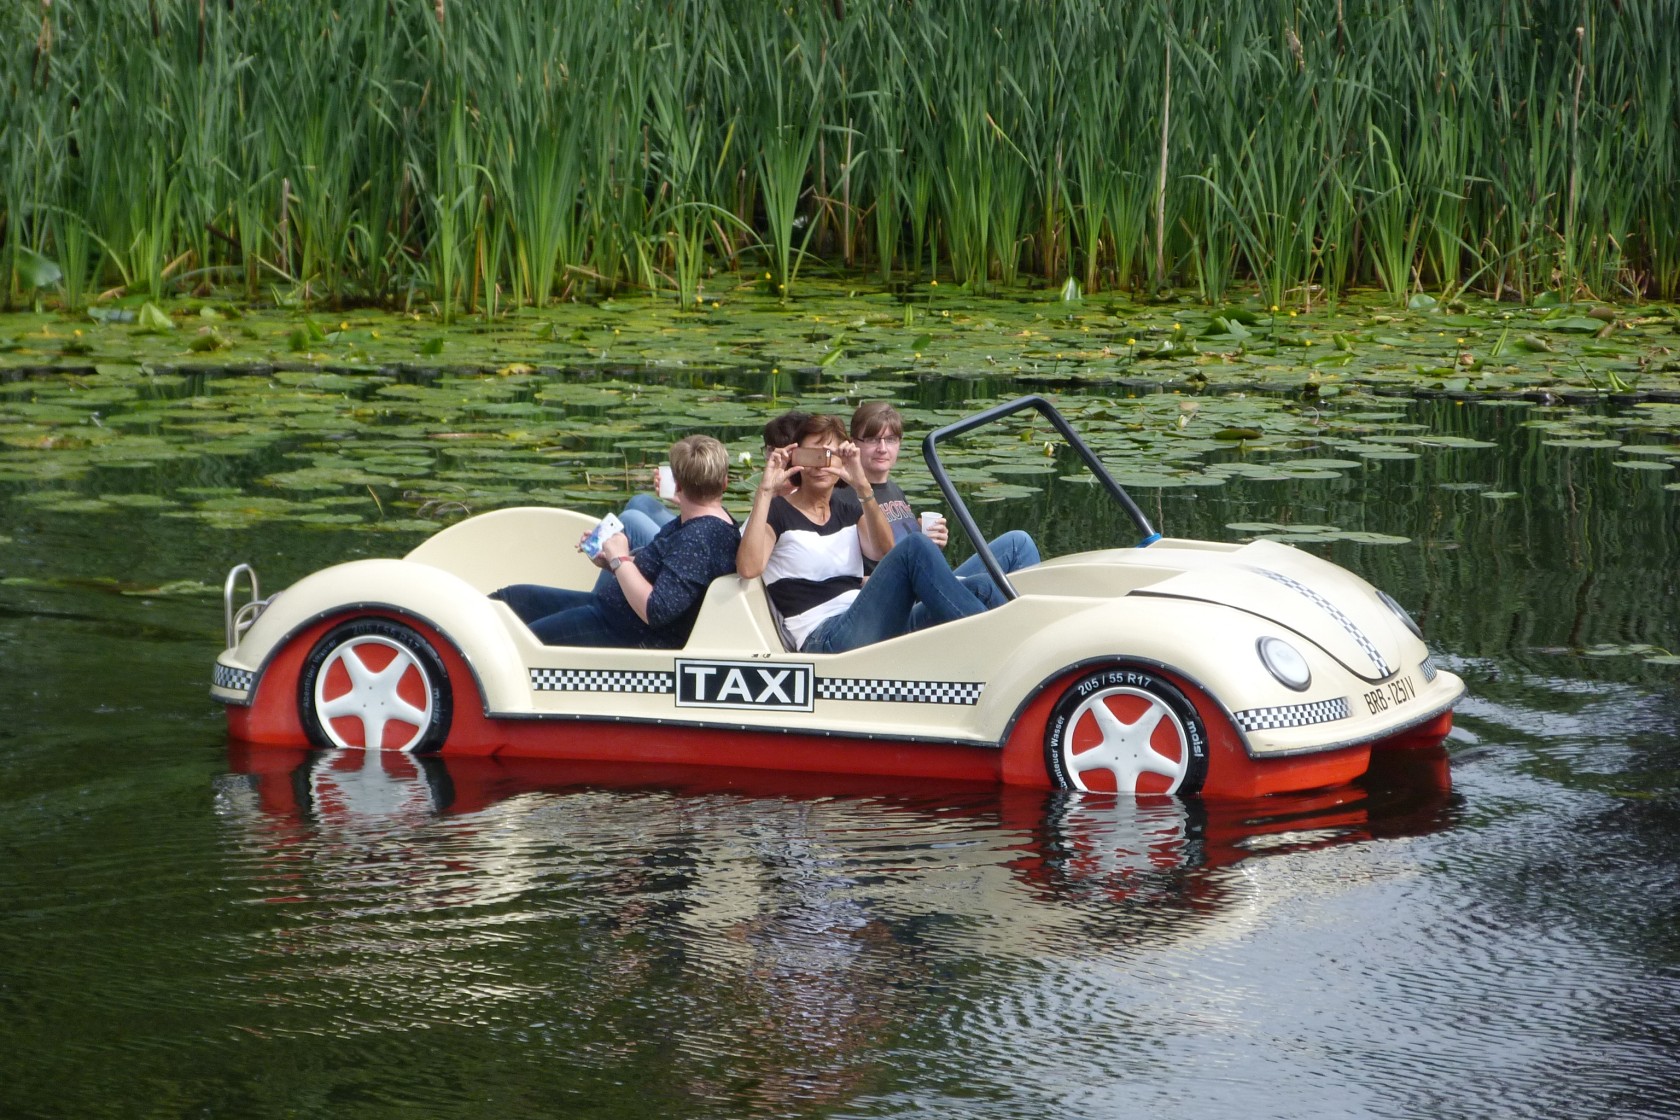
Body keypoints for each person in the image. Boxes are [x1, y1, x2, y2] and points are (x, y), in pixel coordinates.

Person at [737, 413, 986, 654]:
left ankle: (988, 648)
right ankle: (987, 641)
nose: (820, 465)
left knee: (982, 587)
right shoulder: (777, 511)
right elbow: (748, 568)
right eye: (811, 455)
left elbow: (883, 551)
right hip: (824, 636)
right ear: (796, 458)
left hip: (862, 618)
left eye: (829, 455)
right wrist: (765, 491)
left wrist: (862, 486)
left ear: (843, 460)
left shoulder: (848, 509)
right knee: (916, 545)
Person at [492, 435, 738, 648]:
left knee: (515, 642)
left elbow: (656, 610)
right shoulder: (705, 523)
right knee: (509, 600)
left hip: (623, 632)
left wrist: (620, 559)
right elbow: (667, 580)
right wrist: (610, 561)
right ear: (724, 483)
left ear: (678, 486)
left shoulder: (698, 540)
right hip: (609, 610)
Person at [849, 400, 1040, 610]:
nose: (882, 449)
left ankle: (1035, 614)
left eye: (891, 439)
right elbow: (844, 576)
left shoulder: (894, 490)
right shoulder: (848, 495)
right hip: (904, 602)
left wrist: (932, 541)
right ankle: (1026, 619)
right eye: (872, 439)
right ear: (853, 443)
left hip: (932, 586)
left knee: (1018, 543)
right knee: (983, 585)